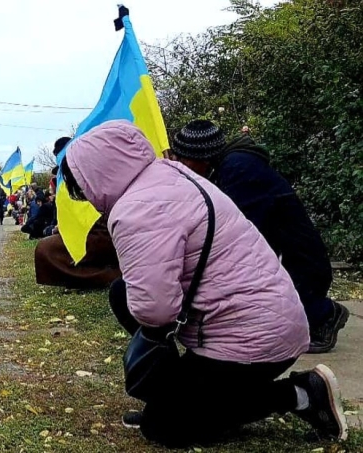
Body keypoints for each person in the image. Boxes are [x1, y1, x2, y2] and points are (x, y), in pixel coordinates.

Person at [61, 120, 347, 447]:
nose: (82, 194)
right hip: (272, 319)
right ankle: (188, 400)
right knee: (121, 293)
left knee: (164, 428)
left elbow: (156, 311)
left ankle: (300, 394)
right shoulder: (170, 175)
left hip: (253, 341)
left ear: (98, 175)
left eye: (78, 185)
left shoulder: (137, 211)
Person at [168, 120, 348, 354]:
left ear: (202, 157)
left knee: (284, 306)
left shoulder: (238, 168)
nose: (181, 165)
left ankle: (327, 314)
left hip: (301, 261)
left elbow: (242, 229)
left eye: (183, 159)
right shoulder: (227, 167)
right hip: (292, 255)